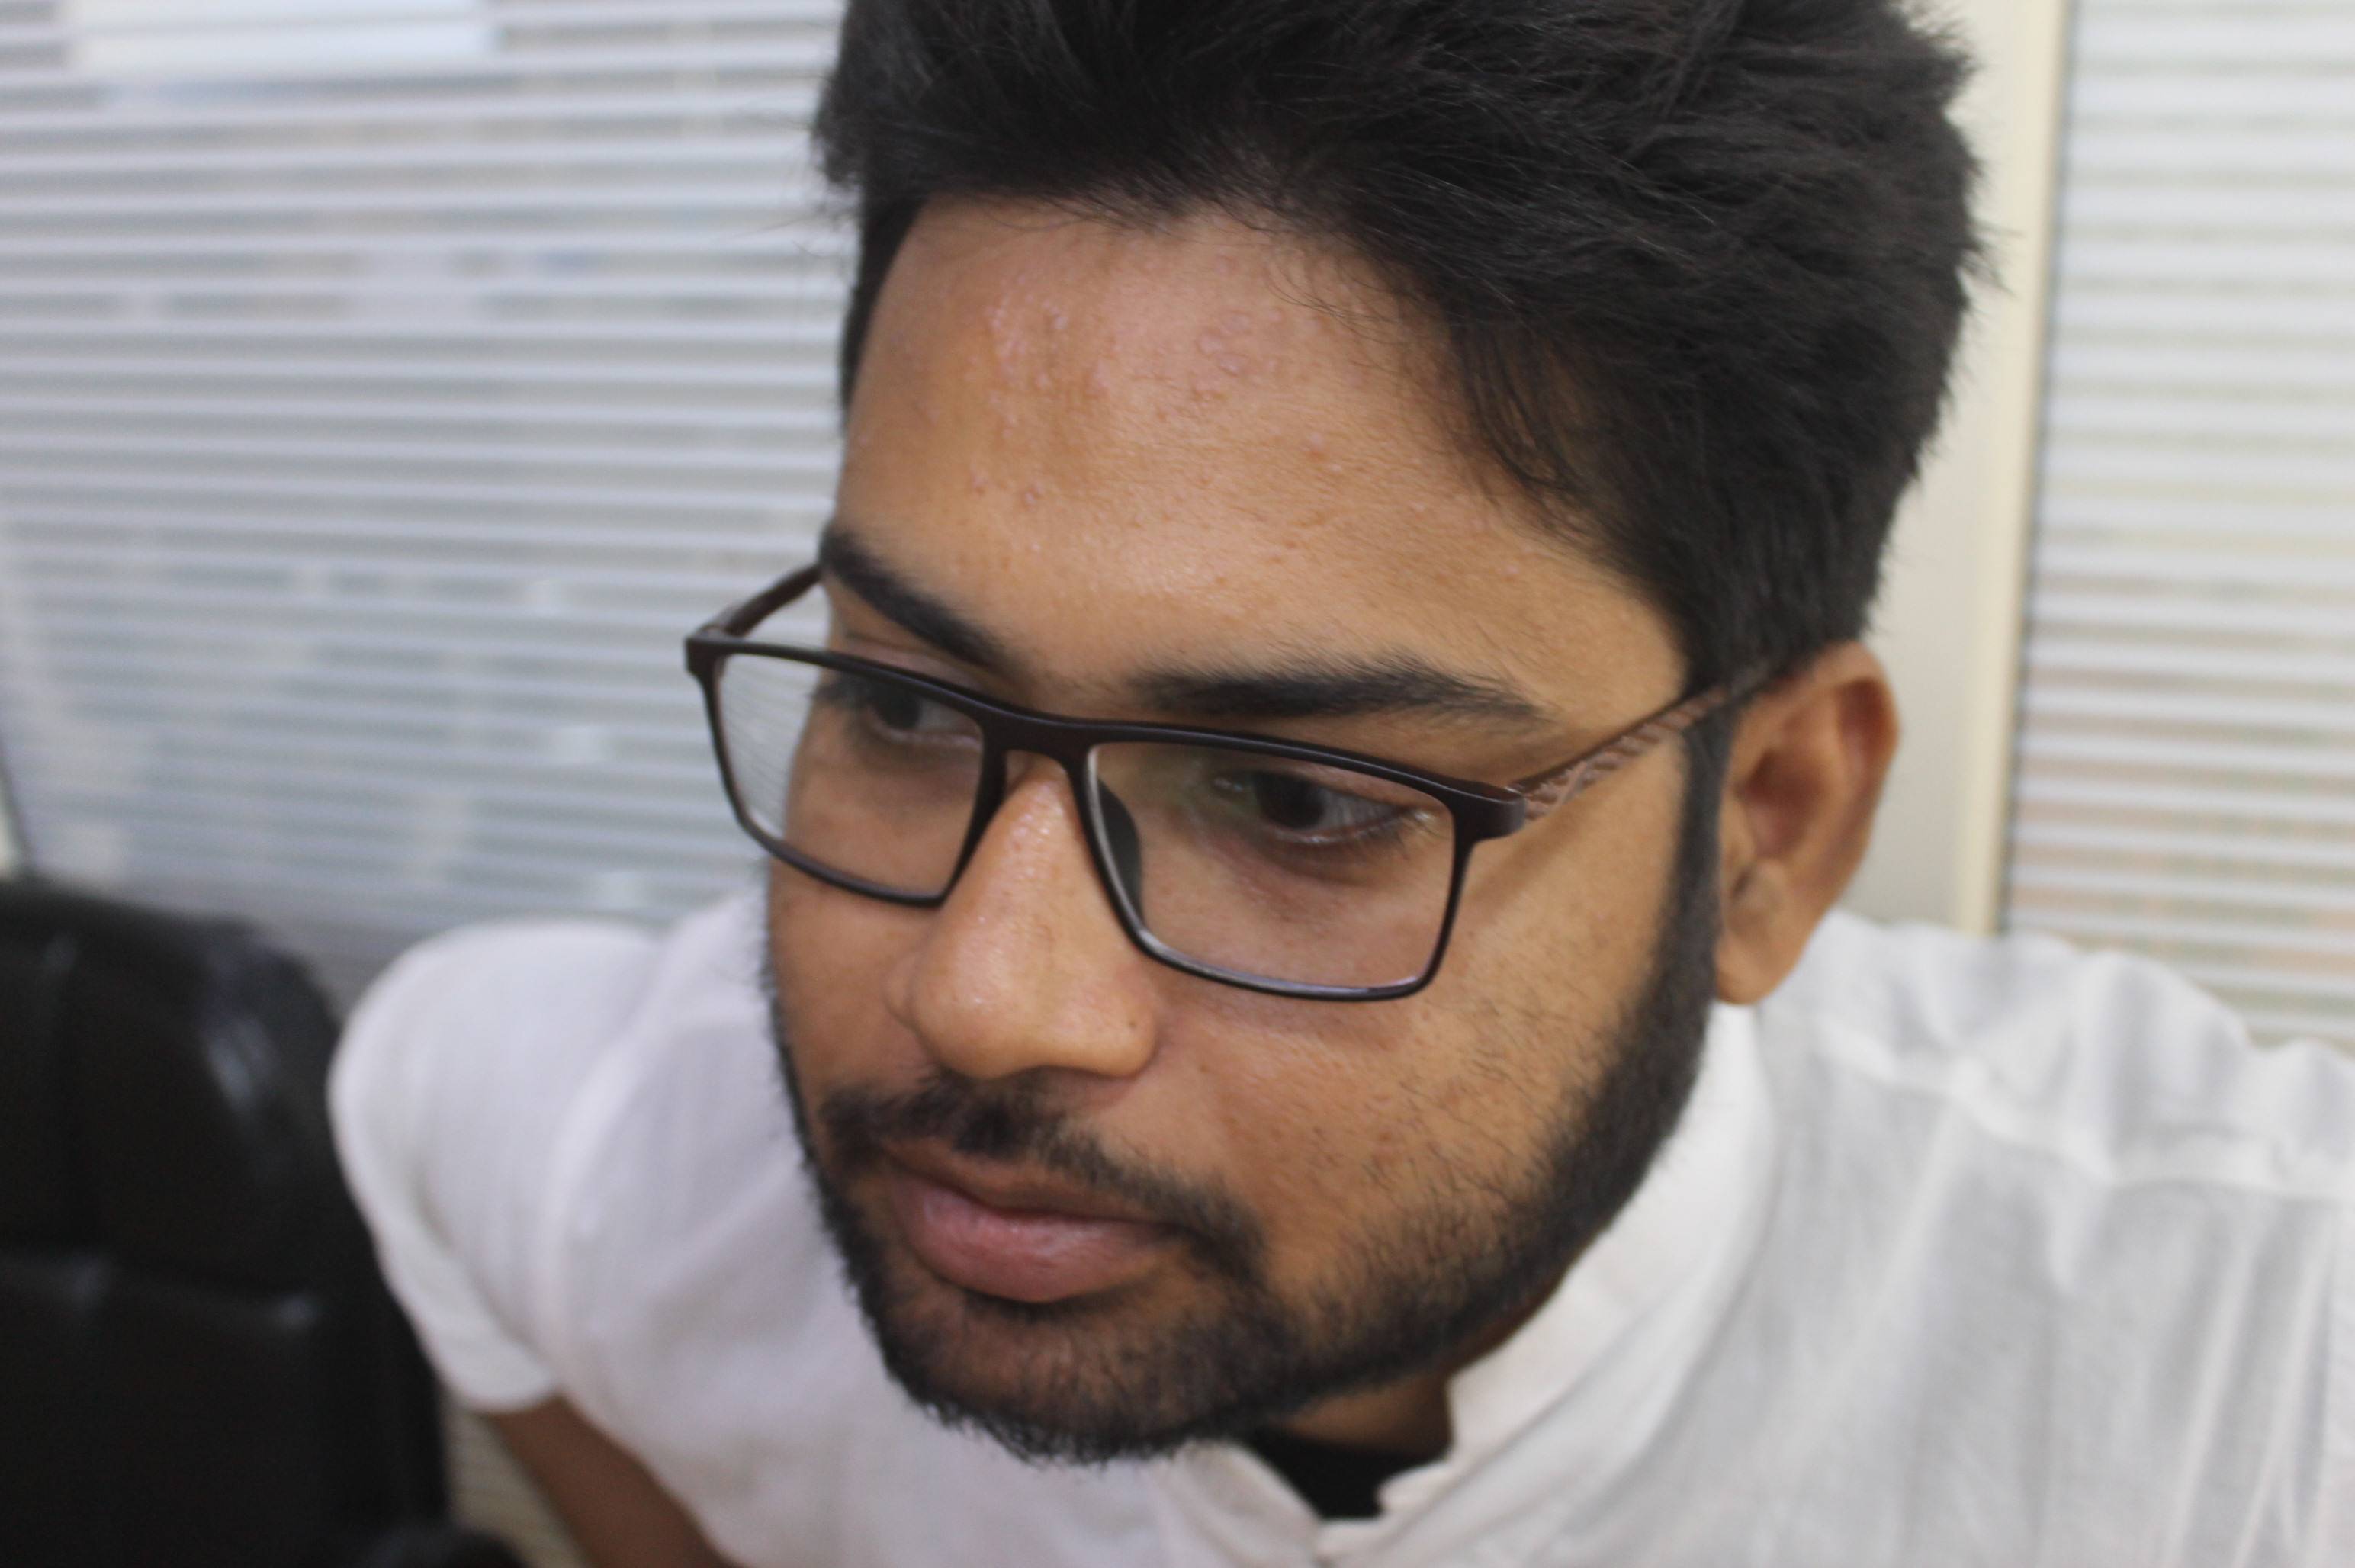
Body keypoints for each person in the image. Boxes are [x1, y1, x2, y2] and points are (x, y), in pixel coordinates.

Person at [328, 1, 2355, 1563]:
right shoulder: (643, 1164)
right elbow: (422, 1103)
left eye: (1301, 803)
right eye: (910, 711)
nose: (984, 996)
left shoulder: (2240, 1384)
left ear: (1770, 830)